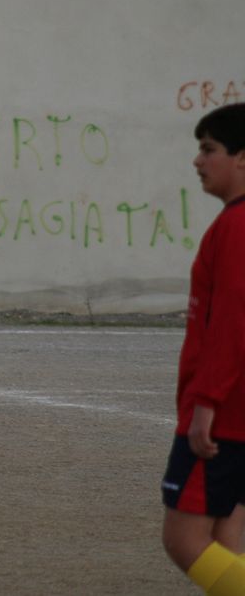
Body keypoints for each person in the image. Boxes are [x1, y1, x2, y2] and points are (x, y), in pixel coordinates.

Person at [162, 102, 245, 593]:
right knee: (225, 537)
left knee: (184, 539)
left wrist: (206, 402)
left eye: (209, 149)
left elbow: (234, 320)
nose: (198, 161)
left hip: (226, 414)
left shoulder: (236, 226)